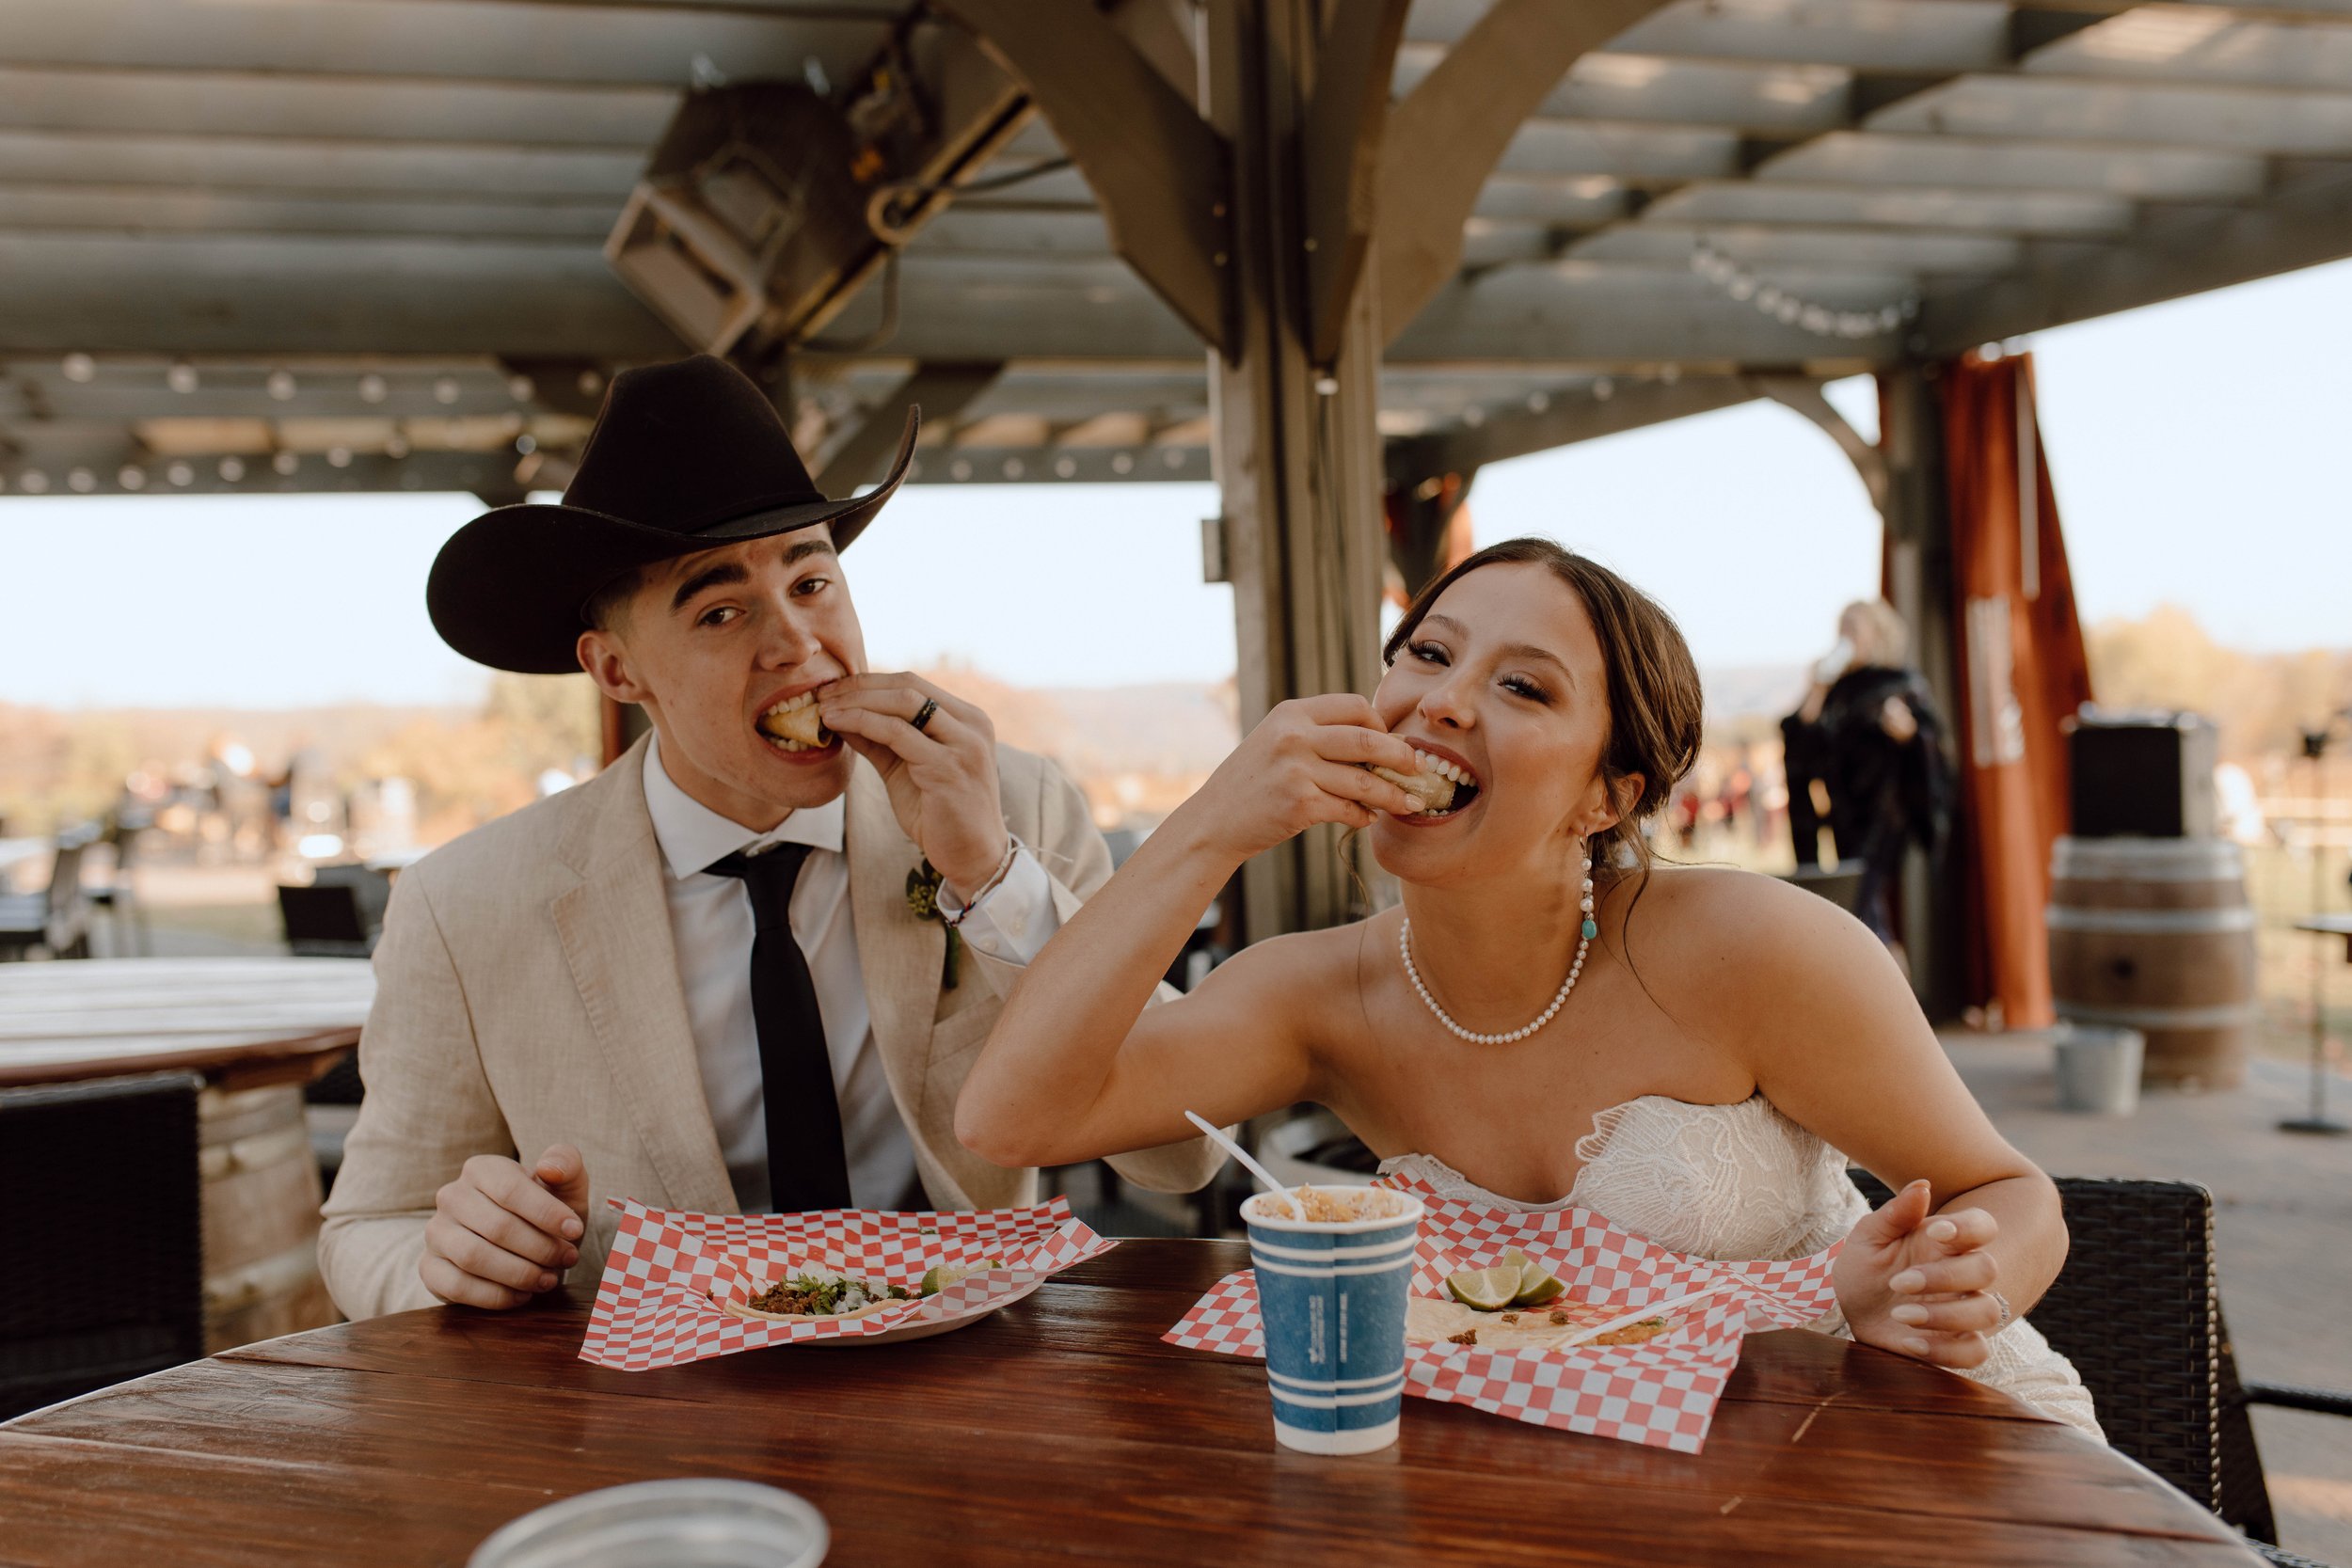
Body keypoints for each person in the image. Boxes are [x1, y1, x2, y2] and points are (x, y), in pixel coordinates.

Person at [956, 538, 2099, 1435]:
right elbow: (1014, 1115)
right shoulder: (1317, 995)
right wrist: (1204, 826)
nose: (1442, 701)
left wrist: (1963, 1277)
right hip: (1603, 1482)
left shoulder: (1760, 947)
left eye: (1522, 685)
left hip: (1893, 1434)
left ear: (1608, 794)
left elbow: (2005, 1186)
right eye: (1424, 652)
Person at [318, 356, 1218, 1319]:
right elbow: (371, 1226)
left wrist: (990, 878)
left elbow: (1182, 1151)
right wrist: (451, 1258)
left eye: (812, 580)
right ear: (617, 669)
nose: (795, 640)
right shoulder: (465, 902)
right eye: (720, 609)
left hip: (971, 1366)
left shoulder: (1017, 808)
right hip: (649, 1405)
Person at [1780, 599, 1953, 951]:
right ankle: (1890, 990)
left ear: (1877, 635)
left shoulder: (1899, 683)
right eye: (1842, 628)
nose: (1846, 636)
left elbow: (1931, 742)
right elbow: (1801, 740)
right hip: (1843, 814)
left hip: (1883, 817)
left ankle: (1889, 991)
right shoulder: (1835, 691)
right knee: (1863, 914)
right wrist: (1817, 688)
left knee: (1864, 911)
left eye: (1854, 628)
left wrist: (1909, 735)